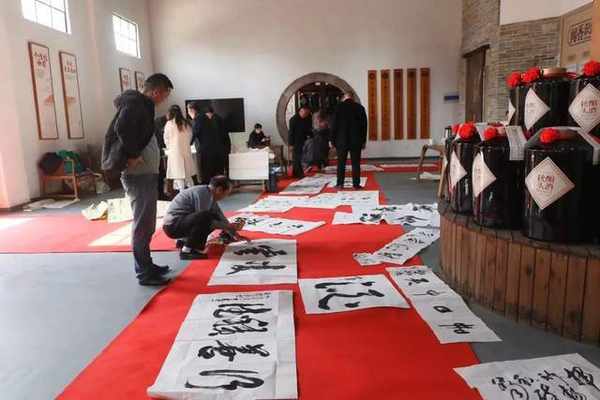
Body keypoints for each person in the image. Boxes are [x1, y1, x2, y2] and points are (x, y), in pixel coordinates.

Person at [102, 73, 173, 286]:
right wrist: (132, 155)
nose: (165, 99)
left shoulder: (142, 105)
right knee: (143, 224)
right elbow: (122, 128)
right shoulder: (135, 103)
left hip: (145, 175)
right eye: (165, 94)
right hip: (138, 175)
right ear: (156, 91)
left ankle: (147, 264)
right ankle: (144, 272)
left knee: (147, 223)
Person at [163, 176, 247, 260]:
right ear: (219, 190)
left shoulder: (209, 194)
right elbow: (204, 221)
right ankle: (187, 251)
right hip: (172, 226)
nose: (226, 196)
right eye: (227, 193)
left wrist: (234, 234)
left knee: (213, 216)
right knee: (206, 217)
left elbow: (219, 216)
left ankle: (183, 242)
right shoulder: (203, 194)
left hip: (180, 223)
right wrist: (228, 226)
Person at [331, 92, 368, 189]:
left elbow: (333, 125)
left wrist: (332, 140)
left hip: (341, 140)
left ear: (344, 98)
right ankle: (356, 184)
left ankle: (340, 184)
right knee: (356, 163)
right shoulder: (360, 108)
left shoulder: (338, 108)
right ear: (353, 98)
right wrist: (363, 141)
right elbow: (364, 126)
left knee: (341, 163)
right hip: (356, 140)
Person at [192, 106, 231, 184]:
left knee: (207, 173)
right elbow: (226, 136)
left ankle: (208, 188)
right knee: (219, 172)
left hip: (206, 152)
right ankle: (220, 187)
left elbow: (195, 133)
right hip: (220, 151)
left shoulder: (199, 119)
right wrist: (227, 149)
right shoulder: (220, 119)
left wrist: (189, 143)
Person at [164, 104, 198, 192]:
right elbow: (190, 137)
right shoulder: (186, 123)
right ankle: (192, 194)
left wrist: (170, 147)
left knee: (179, 179)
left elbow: (166, 139)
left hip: (175, 154)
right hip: (186, 153)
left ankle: (183, 195)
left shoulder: (169, 124)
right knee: (189, 177)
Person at [288, 105, 312, 178]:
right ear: (300, 111)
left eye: (307, 113)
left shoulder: (306, 118)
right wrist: (291, 144)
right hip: (295, 141)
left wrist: (310, 135)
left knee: (300, 157)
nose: (306, 115)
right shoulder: (293, 119)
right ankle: (299, 173)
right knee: (296, 157)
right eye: (305, 113)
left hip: (303, 140)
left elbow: (307, 129)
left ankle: (296, 173)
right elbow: (291, 133)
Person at [154, 115, 169, 200]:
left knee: (160, 175)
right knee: (160, 175)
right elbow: (161, 142)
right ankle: (160, 195)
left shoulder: (155, 124)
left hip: (156, 154)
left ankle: (160, 195)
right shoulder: (157, 127)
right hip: (157, 154)